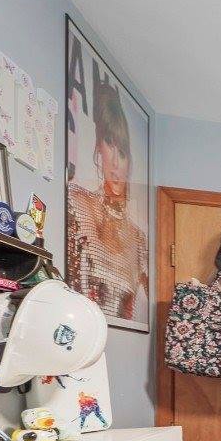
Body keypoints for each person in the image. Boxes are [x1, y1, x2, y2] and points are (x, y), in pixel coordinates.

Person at [67, 80, 147, 323]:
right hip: (76, 330)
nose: (115, 163)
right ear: (98, 147)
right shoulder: (78, 203)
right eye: (109, 145)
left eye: (122, 153)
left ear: (129, 162)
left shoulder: (138, 239)